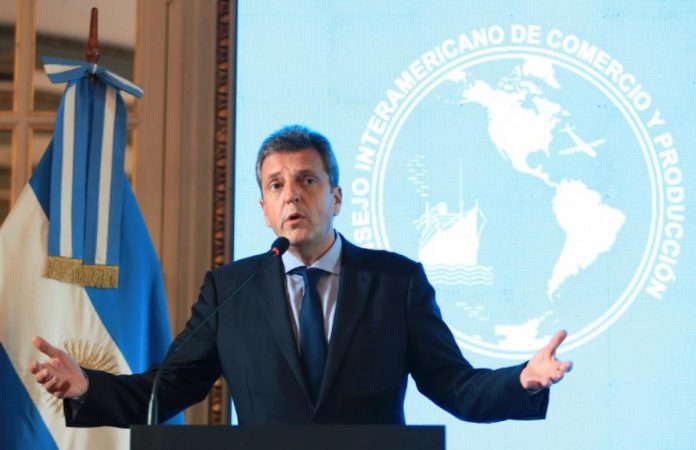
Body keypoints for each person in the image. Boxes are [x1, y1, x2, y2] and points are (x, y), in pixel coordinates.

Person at [30, 125, 571, 425]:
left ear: (335, 197)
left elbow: (453, 384)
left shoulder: (396, 282)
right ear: (265, 209)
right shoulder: (230, 290)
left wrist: (520, 379)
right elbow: (167, 389)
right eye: (276, 185)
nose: (292, 195)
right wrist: (87, 387)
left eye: (307, 180)